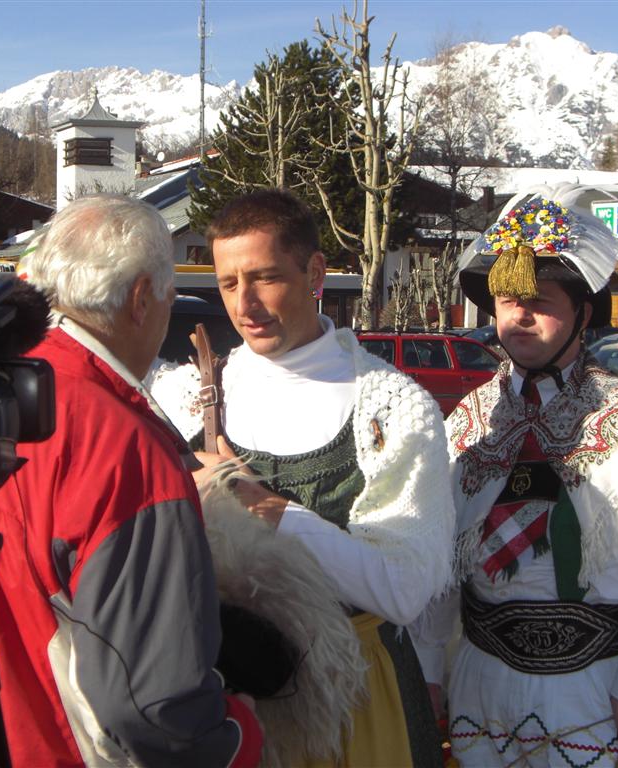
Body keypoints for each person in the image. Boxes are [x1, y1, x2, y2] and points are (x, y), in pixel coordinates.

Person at [150, 189, 454, 767]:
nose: (245, 304)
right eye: (228, 283)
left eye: (265, 278)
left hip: (355, 700)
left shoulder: (391, 407)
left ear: (314, 272)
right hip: (227, 699)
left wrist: (256, 502)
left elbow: (401, 589)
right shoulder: (188, 397)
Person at [0, 195, 263, 767]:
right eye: (170, 296)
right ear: (142, 298)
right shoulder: (122, 444)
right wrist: (237, 737)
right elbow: (153, 706)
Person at [441, 184, 618, 767]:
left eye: (540, 300)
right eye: (508, 300)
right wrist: (433, 668)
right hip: (478, 680)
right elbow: (439, 564)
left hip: (589, 688)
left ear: (583, 313)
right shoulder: (469, 421)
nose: (519, 315)